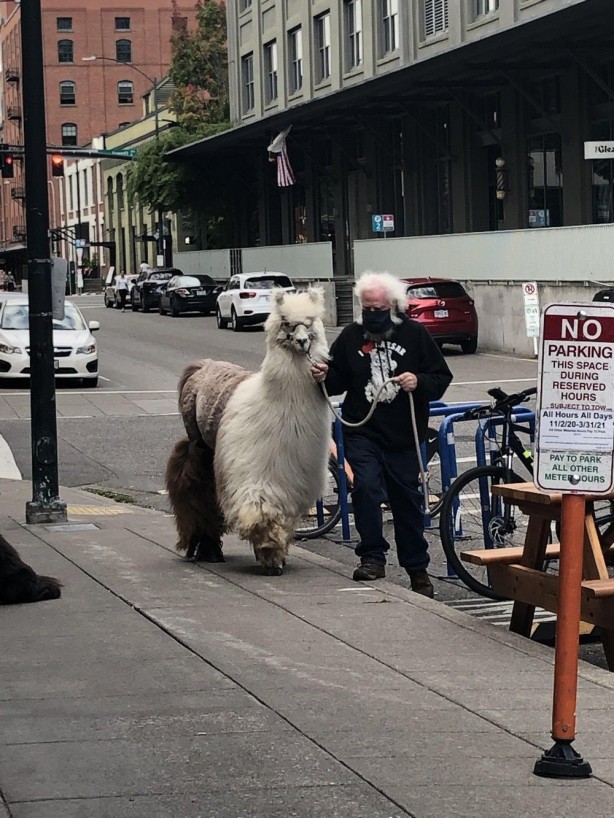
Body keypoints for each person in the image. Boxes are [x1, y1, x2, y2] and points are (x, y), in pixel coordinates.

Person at [311, 271, 453, 597]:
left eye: (376, 307)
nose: (371, 313)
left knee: (408, 502)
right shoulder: (351, 336)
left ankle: (417, 569)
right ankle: (372, 557)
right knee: (366, 488)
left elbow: (440, 377)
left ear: (391, 304)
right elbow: (337, 381)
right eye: (366, 307)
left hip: (404, 434)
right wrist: (323, 375)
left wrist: (418, 382)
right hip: (363, 430)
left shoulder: (415, 334)